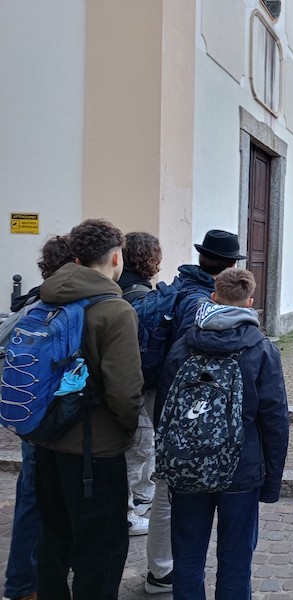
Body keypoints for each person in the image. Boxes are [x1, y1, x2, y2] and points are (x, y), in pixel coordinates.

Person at [155, 268, 289, 599]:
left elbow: (164, 411)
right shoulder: (261, 349)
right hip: (240, 470)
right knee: (236, 560)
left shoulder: (184, 344)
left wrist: (171, 463)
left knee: (186, 557)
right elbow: (275, 421)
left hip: (188, 468)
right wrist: (270, 482)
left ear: (213, 297)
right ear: (250, 303)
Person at [35, 218, 143, 598]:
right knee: (101, 553)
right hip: (94, 452)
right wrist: (128, 431)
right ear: (116, 257)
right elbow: (125, 392)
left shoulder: (45, 296)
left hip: (46, 442)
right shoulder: (115, 311)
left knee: (52, 542)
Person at [145, 228, 245, 594]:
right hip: (178, 404)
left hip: (164, 396)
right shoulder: (199, 301)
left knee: (165, 485)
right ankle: (160, 571)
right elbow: (187, 356)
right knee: (167, 488)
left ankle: (161, 567)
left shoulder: (182, 284)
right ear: (230, 266)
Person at [1, 235, 75, 600]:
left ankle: (24, 582)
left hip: (28, 414)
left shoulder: (33, 298)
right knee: (42, 499)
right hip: (54, 417)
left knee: (31, 497)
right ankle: (25, 584)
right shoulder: (65, 305)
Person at [119, 232, 163, 536]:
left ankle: (138, 501)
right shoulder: (139, 295)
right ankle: (128, 514)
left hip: (125, 383)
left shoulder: (117, 286)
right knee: (137, 448)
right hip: (136, 384)